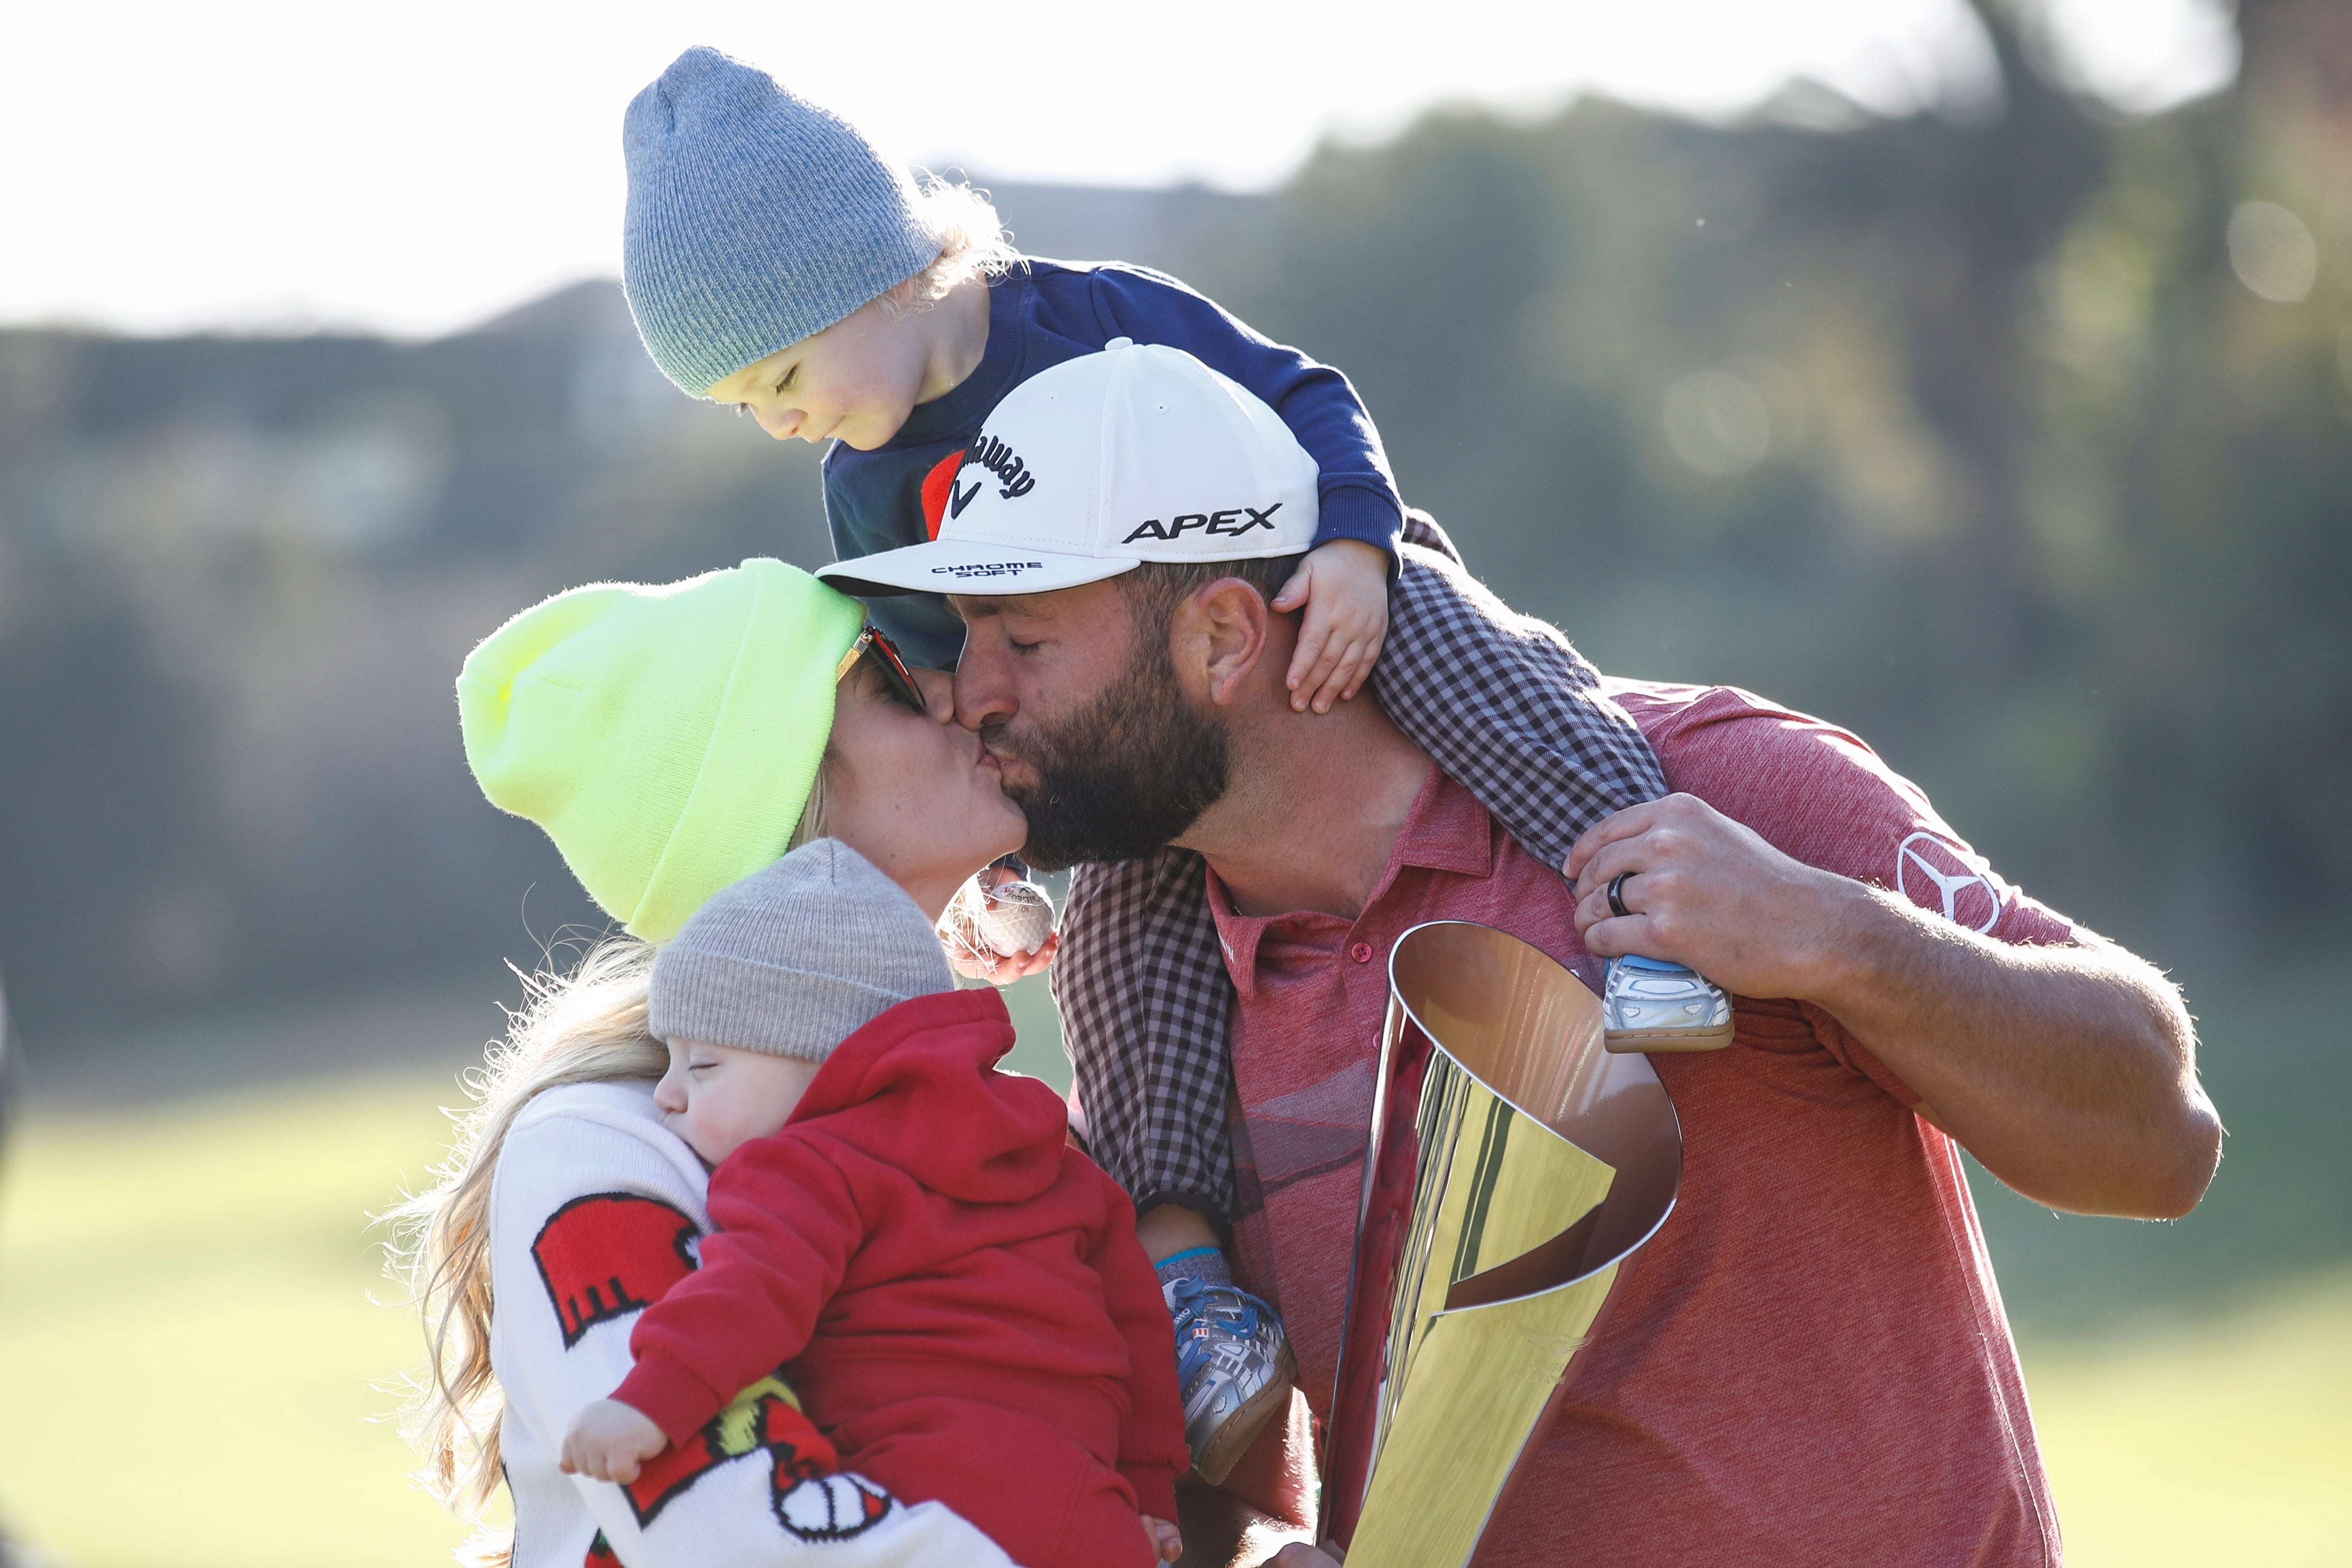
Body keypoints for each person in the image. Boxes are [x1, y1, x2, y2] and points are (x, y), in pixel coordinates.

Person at [855, 343, 2222, 1566]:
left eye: (1023, 639)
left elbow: (2157, 1135)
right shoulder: (1152, 1016)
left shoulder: (1715, 789)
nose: (972, 694)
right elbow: (1203, 1480)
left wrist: (1830, 935)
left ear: (1221, 635)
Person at [616, 46, 1721, 1478]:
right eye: (743, 405)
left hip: (1306, 578)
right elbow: (946, 682)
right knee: (1121, 970)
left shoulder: (1087, 319)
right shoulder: (861, 483)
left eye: (780, 374)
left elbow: (1302, 390)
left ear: (877, 276)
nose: (777, 421)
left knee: (1485, 682)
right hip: (1121, 734)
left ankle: (1655, 913)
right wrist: (1002, 856)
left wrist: (1349, 544)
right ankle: (1191, 1292)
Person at [395, 559, 1186, 1567]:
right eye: (892, 679)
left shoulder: (989, 1115)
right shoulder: (601, 1145)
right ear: (792, 801)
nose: (956, 693)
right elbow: (742, 1533)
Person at [555, 839, 1190, 1568]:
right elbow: (1138, 1327)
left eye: (704, 1065)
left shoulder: (807, 1166)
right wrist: (1144, 1496)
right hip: (1089, 1506)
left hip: (919, 1492)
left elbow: (750, 1292)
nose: (666, 1094)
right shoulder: (1049, 1155)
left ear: (828, 1056)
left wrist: (648, 1405)